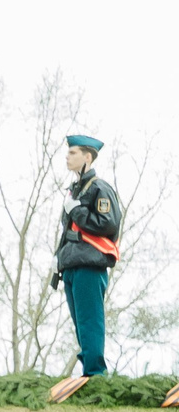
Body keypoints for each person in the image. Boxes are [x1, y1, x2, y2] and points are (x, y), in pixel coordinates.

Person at [56, 134, 122, 377]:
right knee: (80, 324)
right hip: (72, 263)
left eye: (73, 153)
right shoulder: (75, 190)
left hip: (89, 265)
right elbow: (69, 231)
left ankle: (95, 374)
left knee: (90, 322)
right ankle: (88, 371)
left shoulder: (99, 188)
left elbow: (108, 224)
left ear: (87, 157)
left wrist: (78, 211)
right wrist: (59, 257)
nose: (67, 156)